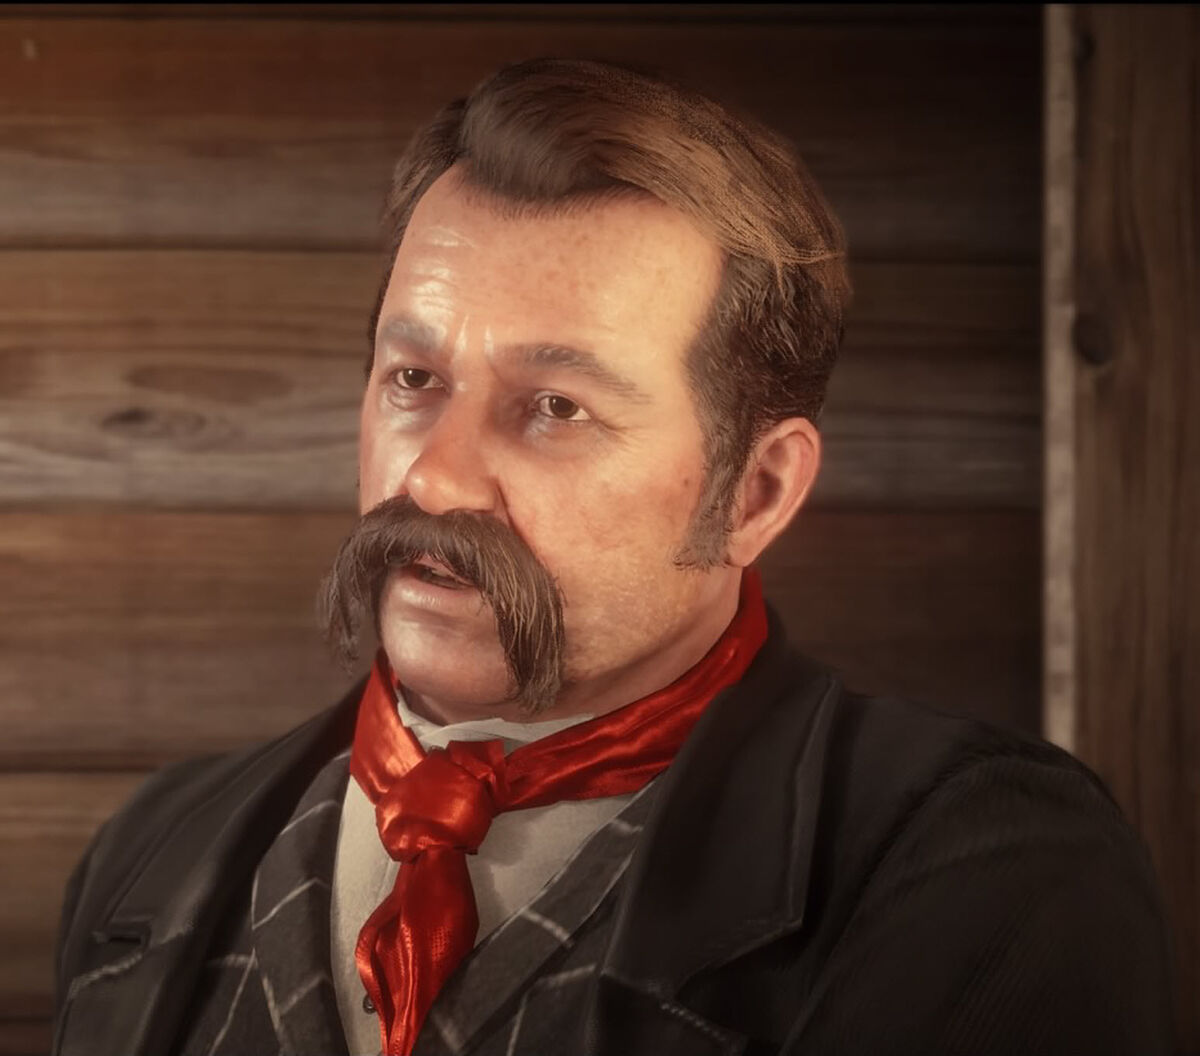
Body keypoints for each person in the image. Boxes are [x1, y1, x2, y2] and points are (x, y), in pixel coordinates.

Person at [52, 58, 1174, 1056]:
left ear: (755, 492)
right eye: (414, 380)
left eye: (554, 406)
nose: (433, 479)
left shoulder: (980, 871)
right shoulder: (154, 853)